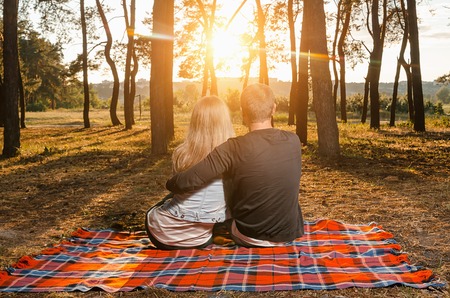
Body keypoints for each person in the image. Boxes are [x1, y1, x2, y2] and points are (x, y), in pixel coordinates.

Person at [166, 83, 304, 247]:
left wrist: (169, 184)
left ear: (242, 113)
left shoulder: (233, 148)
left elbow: (184, 182)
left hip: (249, 235)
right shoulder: (293, 140)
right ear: (273, 109)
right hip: (289, 233)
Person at [145, 96, 235, 249]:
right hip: (199, 239)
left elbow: (176, 189)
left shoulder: (182, 153)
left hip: (161, 233)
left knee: (166, 201)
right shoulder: (235, 157)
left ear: (196, 122)